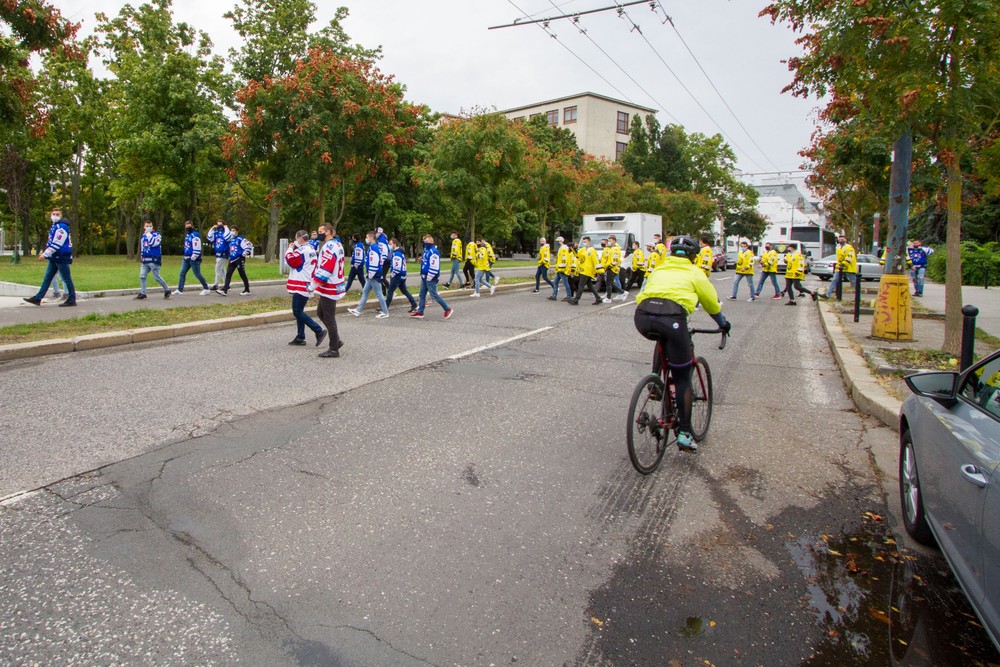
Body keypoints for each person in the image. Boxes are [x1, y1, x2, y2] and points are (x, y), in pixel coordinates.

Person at [633, 235, 730, 453]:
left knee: (660, 338)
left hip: (642, 316)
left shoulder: (659, 269)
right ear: (693, 257)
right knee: (682, 376)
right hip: (673, 319)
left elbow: (644, 290)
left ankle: (655, 382)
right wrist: (723, 324)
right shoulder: (695, 273)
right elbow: (711, 304)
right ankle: (685, 434)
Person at [24, 208, 77, 307]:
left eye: (57, 214)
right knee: (48, 277)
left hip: (61, 256)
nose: (55, 216)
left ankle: (72, 299)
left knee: (66, 278)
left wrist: (45, 254)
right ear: (50, 215)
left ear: (61, 216)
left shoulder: (62, 227)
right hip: (54, 256)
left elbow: (57, 243)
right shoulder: (55, 226)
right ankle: (38, 298)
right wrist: (47, 253)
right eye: (53, 214)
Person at [310, 223, 347, 358]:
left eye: (320, 231)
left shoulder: (329, 247)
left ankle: (333, 348)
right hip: (333, 284)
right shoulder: (337, 245)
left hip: (329, 285)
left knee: (329, 317)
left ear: (327, 232)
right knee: (321, 312)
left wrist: (312, 286)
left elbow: (326, 269)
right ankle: (336, 340)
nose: (317, 234)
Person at [284, 229, 326, 347]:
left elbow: (291, 261)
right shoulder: (311, 249)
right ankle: (300, 336)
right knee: (299, 311)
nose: (295, 241)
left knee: (297, 311)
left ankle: (318, 330)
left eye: (296, 238)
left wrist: (290, 249)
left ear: (300, 239)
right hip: (307, 281)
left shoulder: (301, 250)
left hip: (301, 283)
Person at [348, 230, 389, 318]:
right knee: (365, 291)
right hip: (372, 274)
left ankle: (385, 312)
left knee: (379, 294)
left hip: (373, 275)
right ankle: (358, 310)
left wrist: (371, 274)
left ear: (371, 238)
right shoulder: (374, 247)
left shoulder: (373, 248)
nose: (366, 239)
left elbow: (374, 262)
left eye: (367, 237)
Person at [411, 234, 453, 319]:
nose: (425, 243)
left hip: (431, 277)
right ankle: (420, 312)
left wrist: (430, 277)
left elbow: (434, 266)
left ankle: (447, 309)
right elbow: (426, 260)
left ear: (432, 242)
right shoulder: (426, 250)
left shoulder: (434, 252)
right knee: (422, 294)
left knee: (434, 295)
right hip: (424, 275)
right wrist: (422, 259)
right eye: (424, 242)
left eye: (427, 241)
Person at [135, 220, 171, 301]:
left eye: (150, 226)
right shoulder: (143, 236)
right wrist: (141, 255)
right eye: (147, 226)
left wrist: (148, 234)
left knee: (157, 277)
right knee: (142, 276)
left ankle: (167, 290)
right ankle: (143, 293)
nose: (148, 228)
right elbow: (143, 247)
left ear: (152, 227)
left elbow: (154, 243)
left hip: (154, 260)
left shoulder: (156, 235)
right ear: (144, 227)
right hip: (145, 260)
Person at [174, 220, 211, 295]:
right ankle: (180, 289)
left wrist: (194, 257)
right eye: (186, 226)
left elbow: (197, 247)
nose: (188, 227)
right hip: (186, 258)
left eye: (189, 226)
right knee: (182, 273)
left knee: (197, 274)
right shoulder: (187, 235)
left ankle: (206, 288)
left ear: (192, 226)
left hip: (194, 258)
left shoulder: (195, 235)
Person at [567, 236, 603, 305]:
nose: (584, 243)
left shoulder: (592, 250)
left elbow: (596, 261)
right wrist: (574, 249)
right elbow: (578, 256)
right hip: (583, 270)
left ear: (589, 241)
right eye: (583, 242)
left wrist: (600, 270)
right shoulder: (583, 249)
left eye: (585, 242)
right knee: (590, 286)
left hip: (587, 270)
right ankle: (598, 298)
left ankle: (576, 300)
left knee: (581, 286)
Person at [218, 225, 252, 296]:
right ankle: (225, 289)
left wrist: (244, 253)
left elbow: (249, 245)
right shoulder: (231, 240)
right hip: (232, 260)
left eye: (233, 230)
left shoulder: (240, 239)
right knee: (228, 274)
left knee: (242, 274)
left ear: (237, 231)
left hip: (239, 259)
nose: (232, 232)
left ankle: (247, 289)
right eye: (231, 230)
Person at [386, 238, 418, 312]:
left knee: (390, 292)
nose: (389, 245)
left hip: (397, 276)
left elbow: (397, 267)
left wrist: (393, 274)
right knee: (404, 291)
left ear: (394, 243)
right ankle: (414, 304)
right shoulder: (399, 253)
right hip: (402, 275)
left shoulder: (396, 254)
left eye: (390, 244)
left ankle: (384, 308)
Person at [824, 235, 858, 300]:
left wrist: (843, 264)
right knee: (834, 280)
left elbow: (849, 258)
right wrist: (839, 265)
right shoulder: (838, 248)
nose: (841, 240)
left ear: (845, 240)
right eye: (840, 239)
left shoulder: (849, 248)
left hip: (849, 268)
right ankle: (827, 295)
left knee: (854, 282)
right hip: (840, 268)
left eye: (842, 239)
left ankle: (857, 297)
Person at [206, 220, 232, 292]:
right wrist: (212, 228)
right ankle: (227, 284)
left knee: (217, 269)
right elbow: (209, 238)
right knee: (222, 270)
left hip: (224, 253)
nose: (219, 226)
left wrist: (226, 228)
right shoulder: (216, 233)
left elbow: (227, 237)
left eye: (221, 225)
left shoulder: (227, 232)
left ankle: (216, 284)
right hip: (217, 253)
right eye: (218, 225)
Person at [604, 234, 628, 301]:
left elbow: (615, 260)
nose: (609, 242)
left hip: (613, 268)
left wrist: (610, 266)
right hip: (613, 268)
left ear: (614, 241)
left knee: (609, 283)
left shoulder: (615, 248)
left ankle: (609, 298)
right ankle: (622, 292)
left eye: (610, 240)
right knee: (610, 282)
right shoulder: (613, 248)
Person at [549, 236, 573, 301]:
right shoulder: (562, 248)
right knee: (555, 282)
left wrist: (562, 268)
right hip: (560, 269)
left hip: (563, 269)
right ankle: (554, 295)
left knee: (565, 284)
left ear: (561, 241)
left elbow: (564, 259)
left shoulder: (563, 249)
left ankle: (568, 296)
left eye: (557, 241)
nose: (557, 243)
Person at [376, 227, 390, 292]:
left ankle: (390, 290)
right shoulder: (382, 239)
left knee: (382, 277)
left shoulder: (381, 240)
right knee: (380, 276)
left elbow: (384, 252)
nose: (375, 234)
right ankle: (384, 290)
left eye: (376, 232)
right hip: (386, 261)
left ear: (379, 232)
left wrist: (381, 261)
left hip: (385, 261)